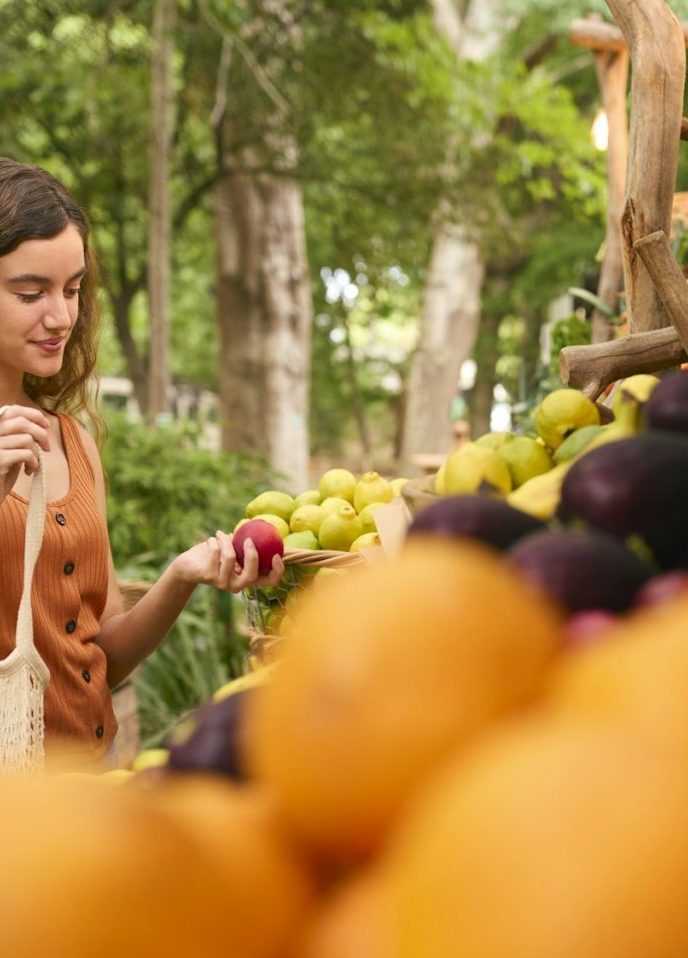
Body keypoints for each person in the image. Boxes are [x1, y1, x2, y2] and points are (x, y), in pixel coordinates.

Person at [0, 156, 284, 767]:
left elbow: (101, 656)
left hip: (93, 781)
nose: (61, 317)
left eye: (72, 290)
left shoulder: (72, 443)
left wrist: (181, 576)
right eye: (30, 293)